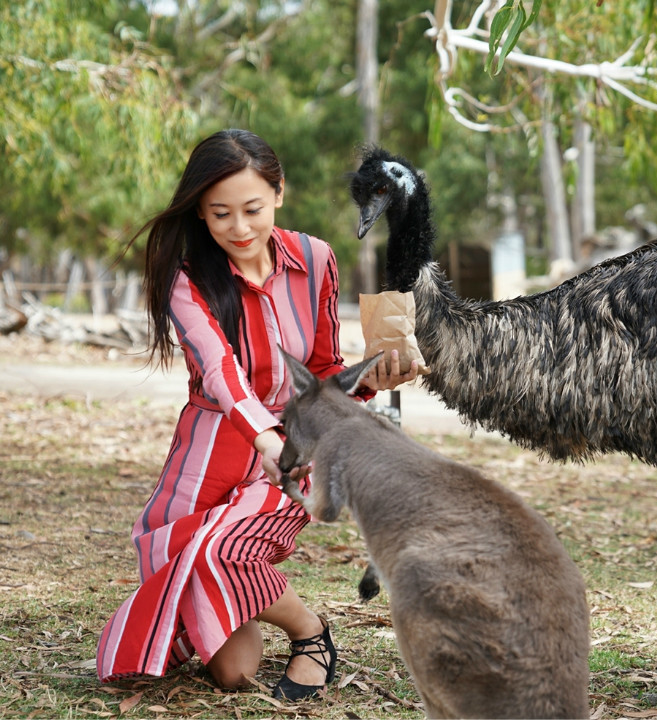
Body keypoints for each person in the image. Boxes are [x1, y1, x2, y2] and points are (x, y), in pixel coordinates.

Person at [95, 128, 417, 700]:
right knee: (235, 673)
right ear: (200, 211)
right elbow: (222, 375)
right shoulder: (186, 279)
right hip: (206, 463)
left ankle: (310, 631)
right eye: (220, 215)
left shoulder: (316, 258)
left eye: (252, 209)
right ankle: (246, 597)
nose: (239, 229)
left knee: (224, 552)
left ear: (279, 193)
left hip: (293, 455)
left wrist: (375, 376)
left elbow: (320, 371)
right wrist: (265, 441)